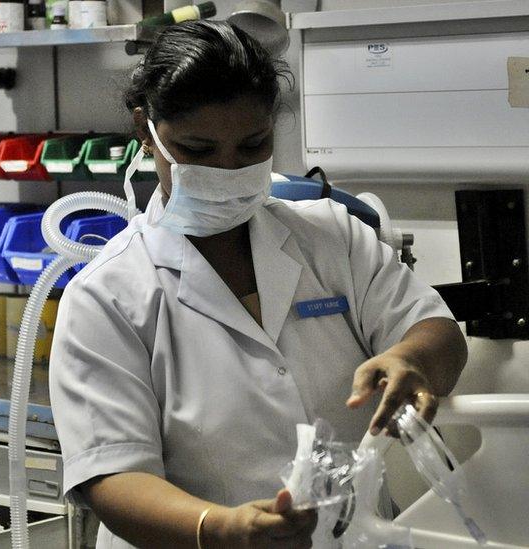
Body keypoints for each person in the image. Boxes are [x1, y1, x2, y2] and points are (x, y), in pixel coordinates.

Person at [49, 21, 467, 549]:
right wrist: (221, 528)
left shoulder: (330, 236)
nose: (228, 169)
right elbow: (110, 476)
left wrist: (416, 360)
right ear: (145, 130)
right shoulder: (106, 295)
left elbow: (437, 332)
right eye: (198, 150)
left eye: (252, 145)